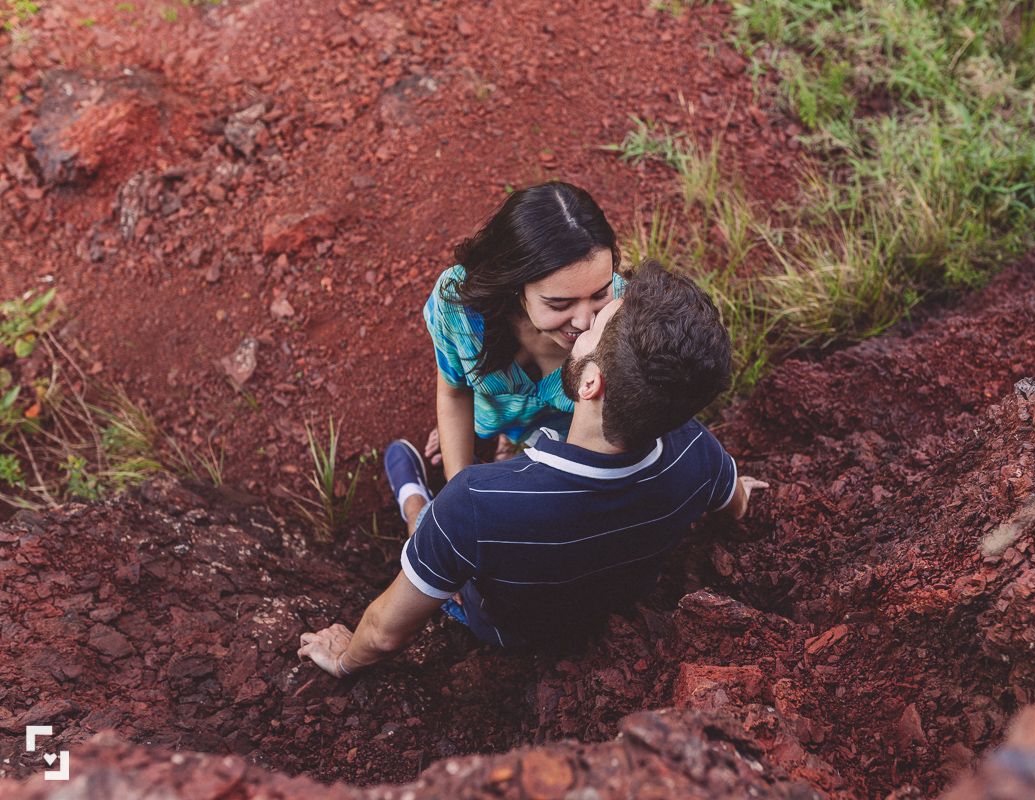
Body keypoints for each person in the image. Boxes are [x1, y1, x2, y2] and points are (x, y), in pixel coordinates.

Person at [297, 261, 767, 675]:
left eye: (595, 327)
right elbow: (738, 504)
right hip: (614, 607)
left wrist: (342, 660)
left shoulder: (475, 501)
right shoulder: (700, 452)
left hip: (506, 630)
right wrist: (735, 488)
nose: (582, 324)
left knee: (439, 540)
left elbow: (384, 636)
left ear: (590, 383)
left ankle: (413, 500)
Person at [420, 181, 624, 504]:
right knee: (481, 423)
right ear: (514, 286)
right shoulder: (460, 305)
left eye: (600, 293)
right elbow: (454, 392)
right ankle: (503, 433)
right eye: (560, 304)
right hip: (489, 413)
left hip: (566, 438)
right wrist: (459, 492)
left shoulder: (626, 319)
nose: (586, 323)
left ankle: (510, 439)